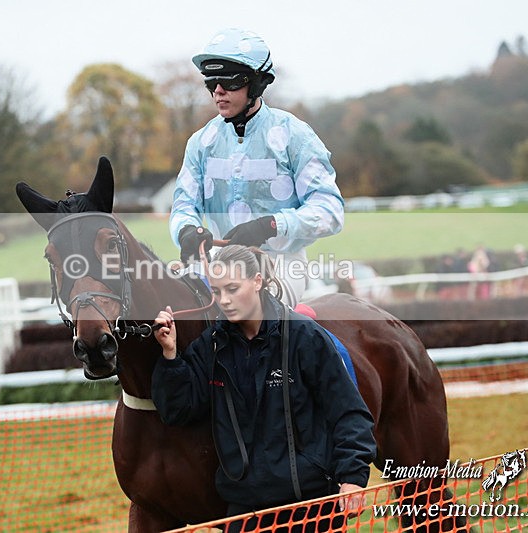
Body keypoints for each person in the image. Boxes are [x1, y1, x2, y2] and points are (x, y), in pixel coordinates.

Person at [152, 245, 376, 531]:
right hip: (245, 511)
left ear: (257, 281)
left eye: (233, 288)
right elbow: (177, 410)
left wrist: (352, 477)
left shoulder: (305, 337)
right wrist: (170, 356)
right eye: (218, 292)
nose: (225, 300)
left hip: (310, 506)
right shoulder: (211, 346)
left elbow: (349, 412)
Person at [170, 28, 345, 307]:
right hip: (218, 263)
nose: (218, 91)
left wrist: (272, 225)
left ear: (257, 84)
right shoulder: (200, 142)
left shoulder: (296, 135)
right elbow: (183, 207)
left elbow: (330, 212)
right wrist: (186, 231)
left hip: (280, 263)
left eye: (230, 81)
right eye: (211, 82)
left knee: (248, 307)